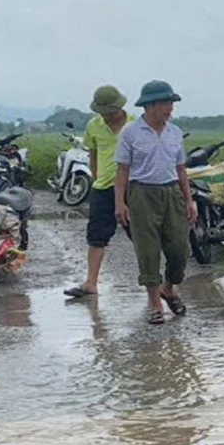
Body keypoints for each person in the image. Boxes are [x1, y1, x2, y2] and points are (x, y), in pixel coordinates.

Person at [113, 80, 196, 324]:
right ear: (149, 105)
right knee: (148, 251)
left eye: (171, 103)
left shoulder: (175, 132)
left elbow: (181, 170)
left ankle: (168, 288)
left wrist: (189, 200)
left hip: (172, 193)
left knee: (180, 250)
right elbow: (122, 171)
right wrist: (120, 202)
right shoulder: (130, 133)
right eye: (164, 103)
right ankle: (155, 303)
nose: (169, 108)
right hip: (142, 194)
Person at [64, 85, 134, 299]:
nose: (106, 116)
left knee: (140, 235)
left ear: (119, 107)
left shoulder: (135, 125)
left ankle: (154, 283)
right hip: (103, 188)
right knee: (96, 236)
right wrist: (96, 177)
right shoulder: (93, 126)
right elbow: (93, 154)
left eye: (110, 111)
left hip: (132, 187)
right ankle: (91, 282)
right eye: (102, 112)